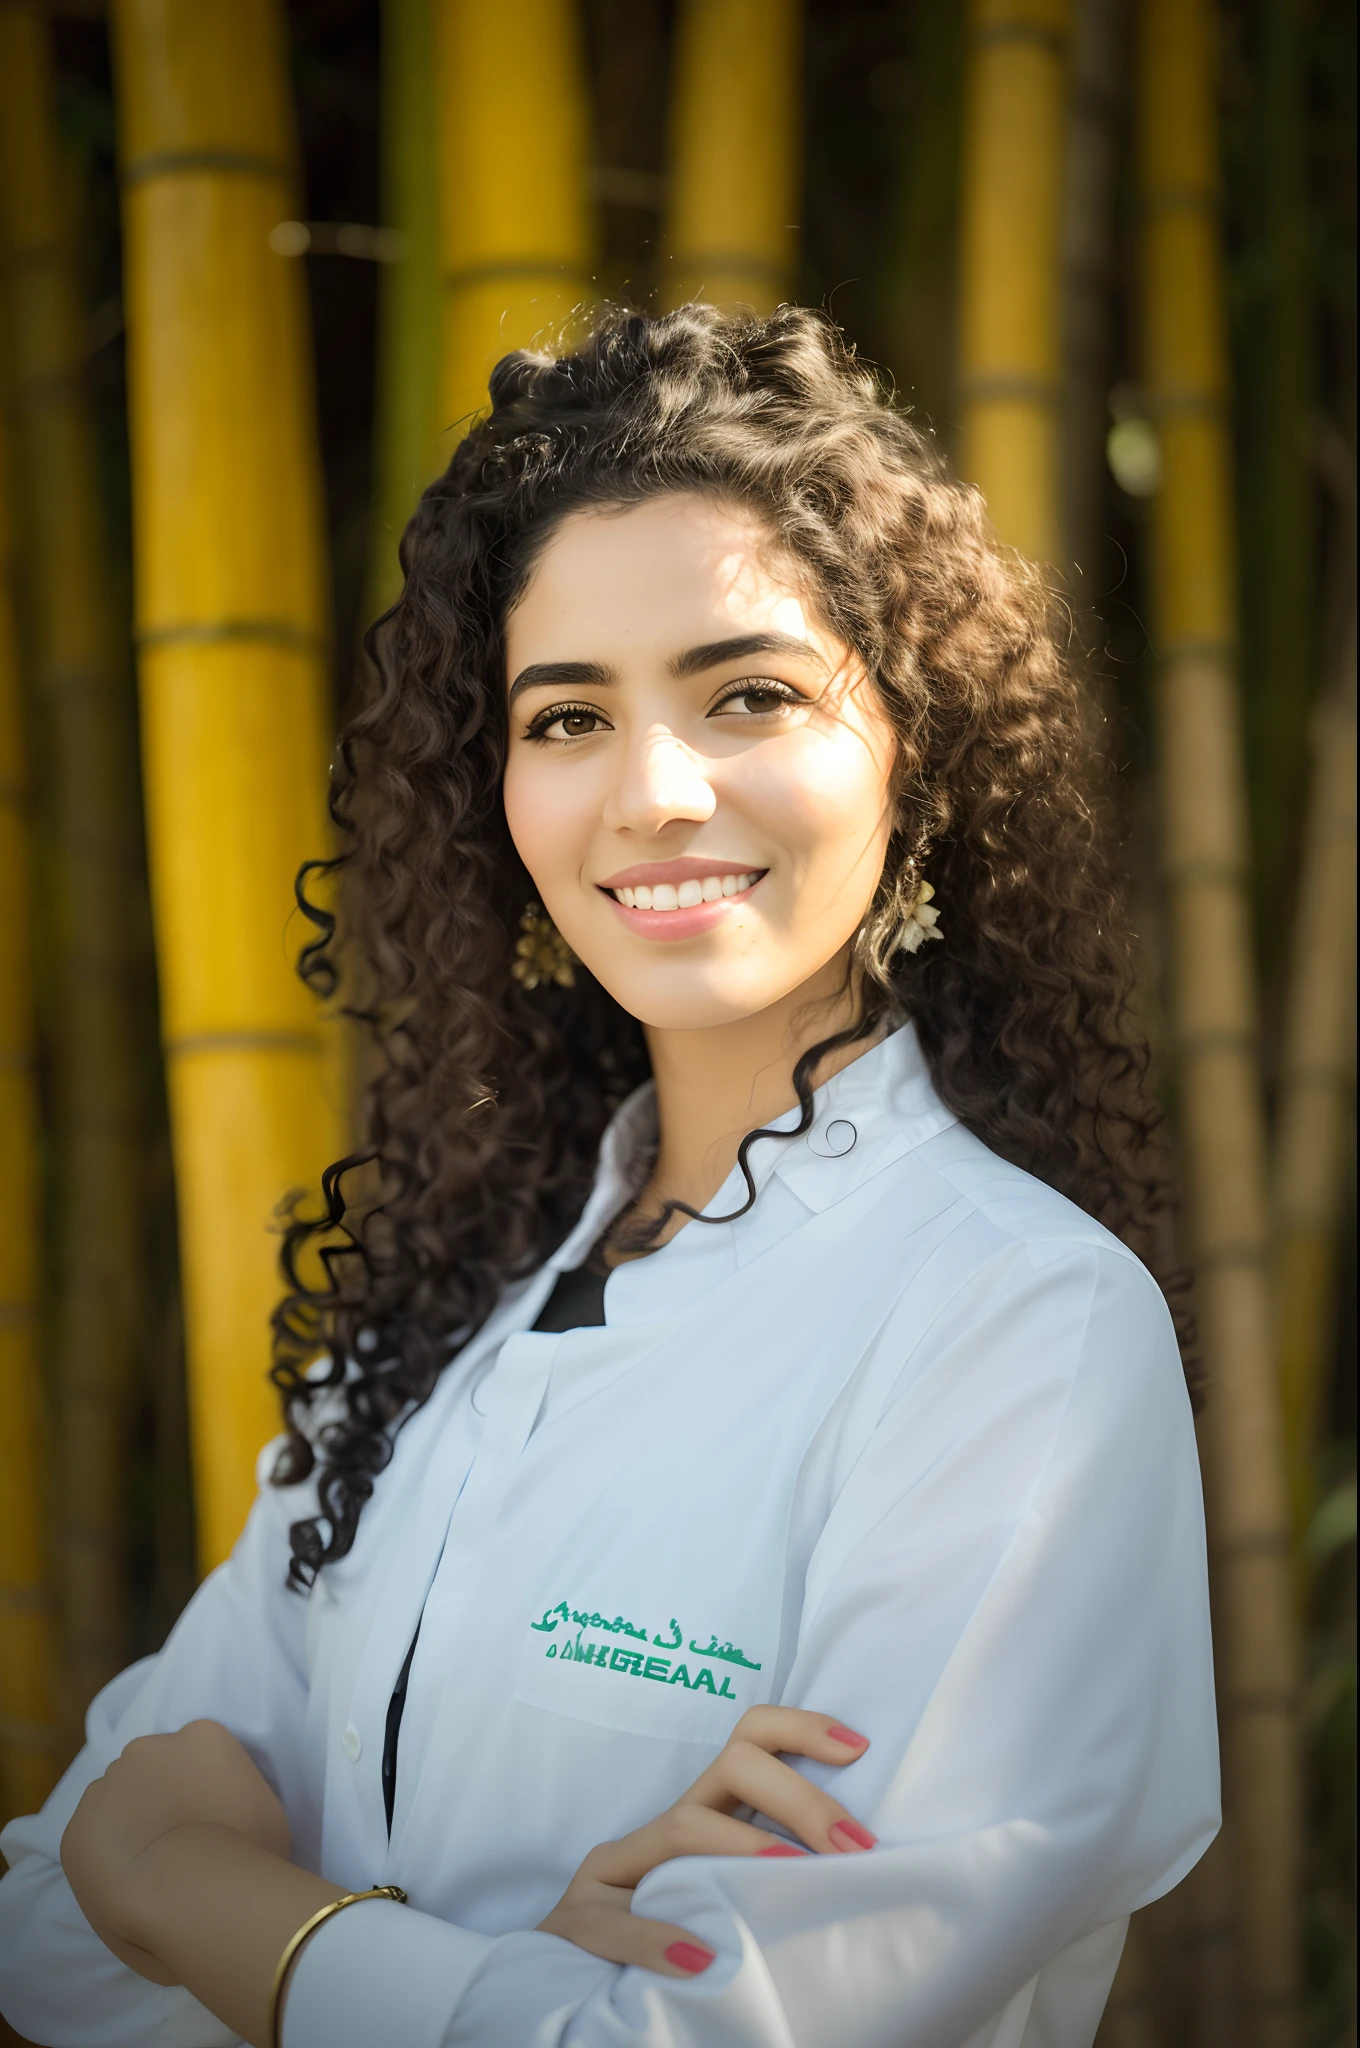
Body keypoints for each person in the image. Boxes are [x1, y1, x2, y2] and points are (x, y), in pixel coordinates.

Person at [0, 305, 1218, 2048]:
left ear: (916, 750)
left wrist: (204, 1894)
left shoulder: (1016, 1333)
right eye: (567, 718)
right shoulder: (448, 1301)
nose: (651, 790)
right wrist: (465, 1965)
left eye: (749, 693)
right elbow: (42, 1925)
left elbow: (674, 2038)